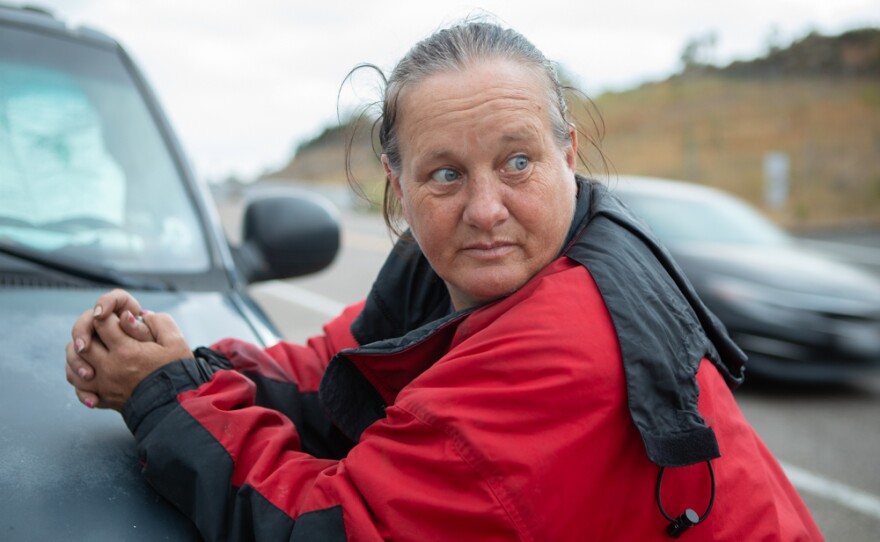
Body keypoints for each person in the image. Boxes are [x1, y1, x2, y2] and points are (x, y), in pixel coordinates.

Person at [65, 21, 822, 541]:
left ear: (567, 155)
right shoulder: (470, 270)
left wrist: (162, 399)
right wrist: (184, 366)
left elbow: (325, 526)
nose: (485, 210)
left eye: (517, 162)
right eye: (446, 174)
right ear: (398, 186)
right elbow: (337, 370)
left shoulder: (563, 342)